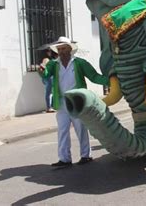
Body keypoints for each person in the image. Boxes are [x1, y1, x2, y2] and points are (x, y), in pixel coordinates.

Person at [38, 36, 109, 168]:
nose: (61, 51)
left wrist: (110, 80)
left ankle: (85, 155)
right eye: (59, 49)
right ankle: (64, 159)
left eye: (64, 48)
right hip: (61, 103)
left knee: (81, 129)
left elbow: (94, 77)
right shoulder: (54, 64)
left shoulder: (80, 63)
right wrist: (42, 71)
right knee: (62, 130)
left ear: (70, 49)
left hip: (77, 102)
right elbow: (46, 74)